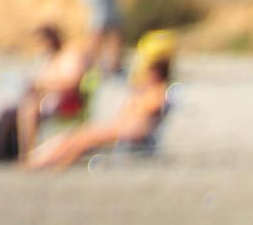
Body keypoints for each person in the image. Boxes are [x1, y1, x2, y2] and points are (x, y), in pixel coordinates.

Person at [24, 56, 171, 171]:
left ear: (155, 73)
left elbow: (149, 109)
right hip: (122, 127)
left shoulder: (159, 92)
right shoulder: (146, 92)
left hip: (130, 131)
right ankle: (40, 159)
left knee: (83, 140)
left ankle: (52, 164)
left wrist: (137, 99)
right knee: (76, 136)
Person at [16, 24, 96, 159]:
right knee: (16, 111)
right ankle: (26, 152)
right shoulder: (52, 59)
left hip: (69, 101)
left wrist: (45, 86)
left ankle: (28, 156)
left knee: (30, 110)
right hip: (52, 99)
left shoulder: (70, 56)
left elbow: (71, 83)